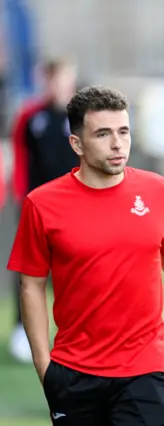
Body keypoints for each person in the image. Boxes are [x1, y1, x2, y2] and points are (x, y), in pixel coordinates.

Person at [7, 85, 164, 425]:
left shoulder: (158, 191)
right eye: (103, 134)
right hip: (74, 372)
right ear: (77, 144)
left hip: (145, 368)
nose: (117, 144)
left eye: (123, 131)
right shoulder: (41, 204)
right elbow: (31, 285)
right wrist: (44, 366)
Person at [8, 57, 79, 364]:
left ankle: (76, 331)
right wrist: (21, 198)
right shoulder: (31, 116)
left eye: (61, 78)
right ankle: (23, 330)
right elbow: (21, 157)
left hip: (74, 205)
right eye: (51, 79)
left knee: (75, 268)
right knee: (30, 269)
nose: (57, 85)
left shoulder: (81, 115)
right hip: (37, 205)